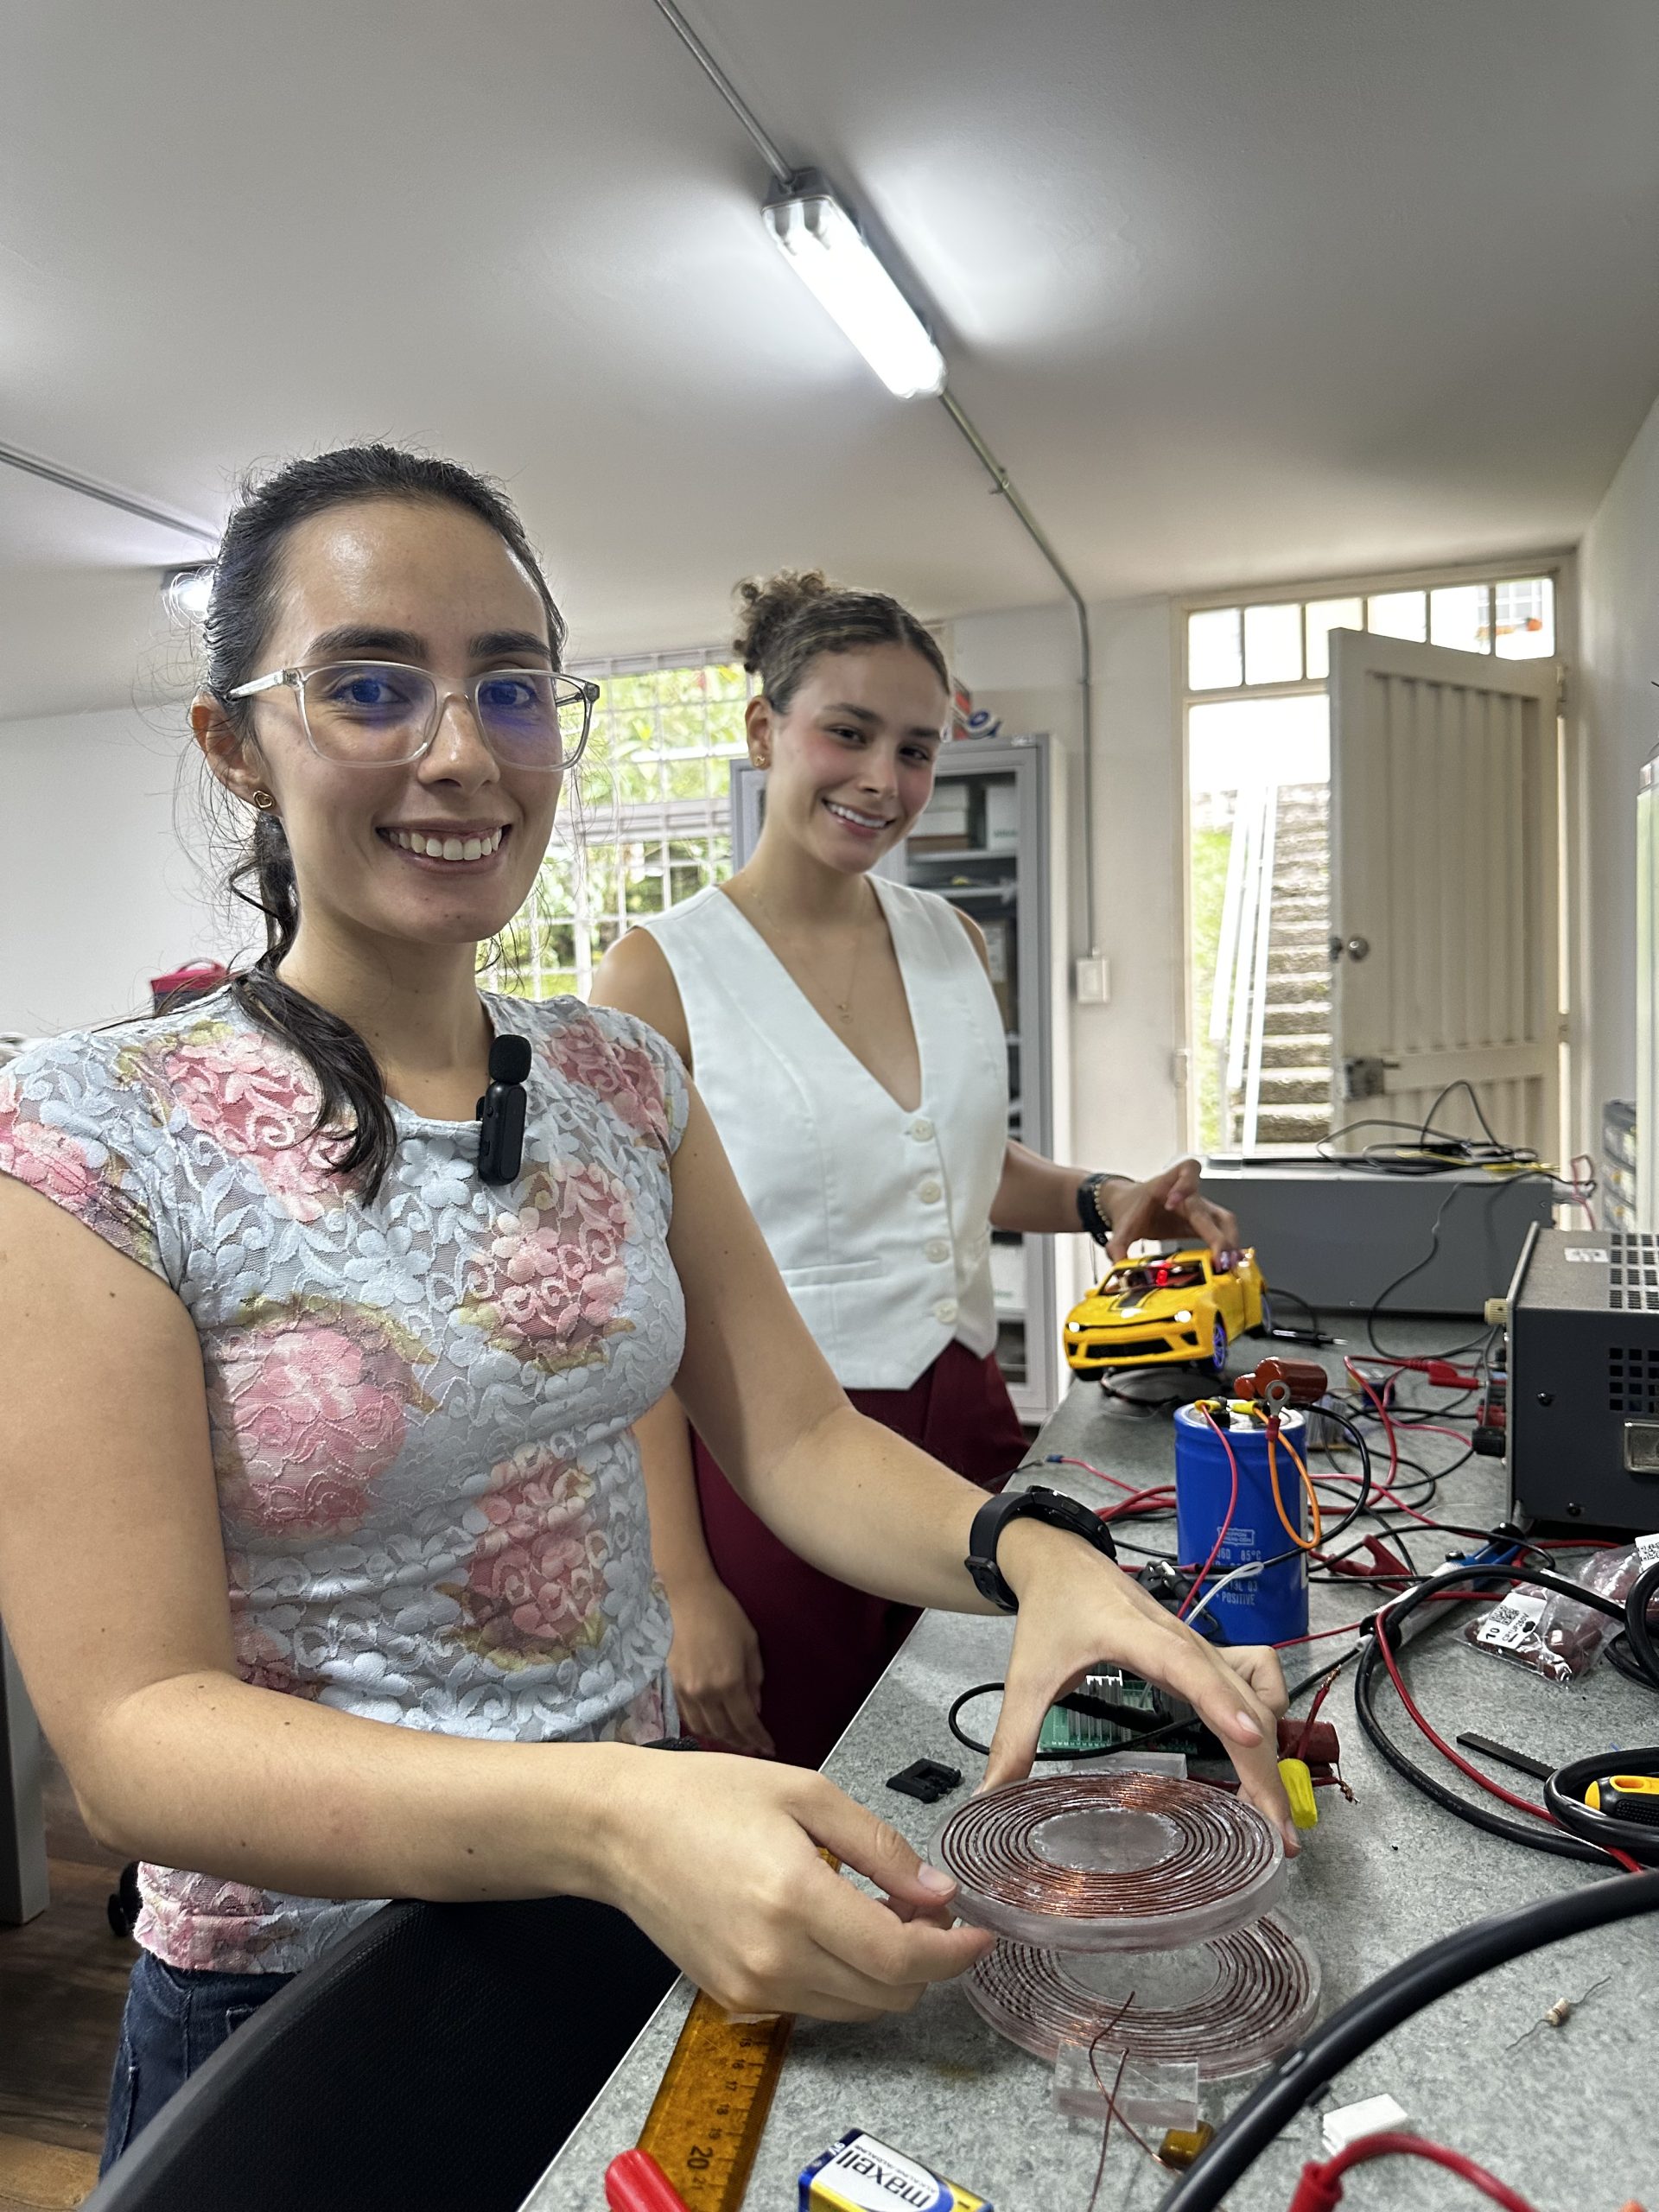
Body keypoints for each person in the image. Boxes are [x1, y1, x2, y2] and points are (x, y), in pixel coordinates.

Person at [0, 450, 1290, 2171]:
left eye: (512, 685)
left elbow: (800, 1432)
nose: (460, 749)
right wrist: (613, 1807)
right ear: (233, 739)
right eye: (370, 684)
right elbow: (135, 1733)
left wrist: (1041, 1555)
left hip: (631, 1918)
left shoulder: (613, 1075)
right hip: (308, 1991)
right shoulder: (91, 1132)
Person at [594, 572, 1242, 1767]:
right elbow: (640, 1299)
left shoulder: (953, 941)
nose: (882, 781)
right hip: (774, 1470)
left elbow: (959, 1161)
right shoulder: (657, 976)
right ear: (763, 729)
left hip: (972, 1422)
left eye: (915, 748)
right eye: (847, 732)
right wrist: (679, 1582)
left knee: (995, 1764)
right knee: (814, 1804)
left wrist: (1103, 1200)